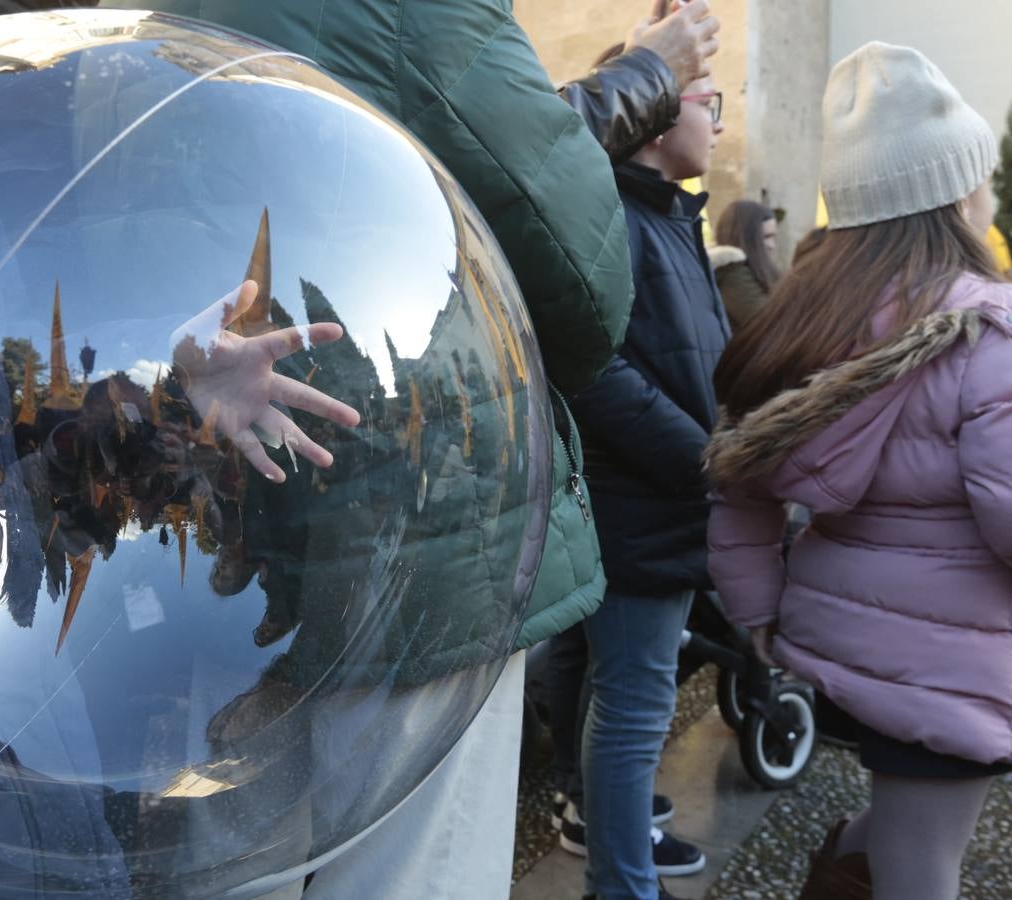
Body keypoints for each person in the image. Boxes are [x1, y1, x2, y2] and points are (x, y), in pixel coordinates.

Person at [95, 1, 718, 897]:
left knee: (231, 856)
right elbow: (578, 284)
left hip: (215, 518)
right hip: (410, 516)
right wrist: (646, 78)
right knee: (410, 871)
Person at [705, 43, 1007, 900]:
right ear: (957, 193)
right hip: (958, 662)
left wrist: (757, 610)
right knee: (925, 868)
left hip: (848, 640)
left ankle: (836, 873)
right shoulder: (986, 333)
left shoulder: (804, 320)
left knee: (905, 837)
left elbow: (738, 481)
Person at [564, 44, 727, 900]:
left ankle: (619, 872)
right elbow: (597, 368)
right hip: (646, 504)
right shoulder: (619, 218)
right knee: (634, 711)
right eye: (711, 100)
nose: (719, 122)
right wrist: (704, 455)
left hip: (664, 501)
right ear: (659, 118)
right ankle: (623, 886)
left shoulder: (667, 213)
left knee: (627, 703)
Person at [710, 199, 782, 329]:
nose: (772, 245)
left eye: (773, 237)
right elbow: (769, 325)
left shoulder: (746, 269)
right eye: (765, 237)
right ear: (746, 237)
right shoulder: (732, 273)